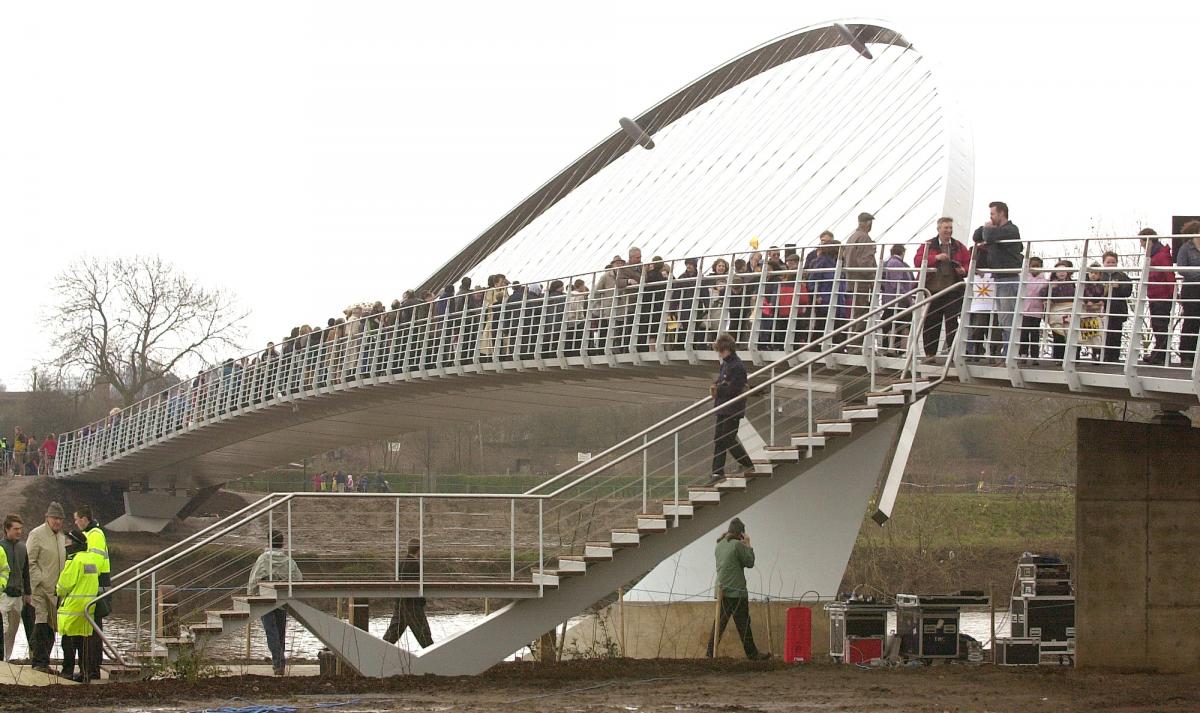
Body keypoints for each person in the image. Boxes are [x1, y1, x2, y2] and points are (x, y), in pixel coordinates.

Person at [705, 518, 768, 660]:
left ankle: (710, 653)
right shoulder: (737, 545)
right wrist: (748, 544)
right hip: (736, 591)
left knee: (719, 625)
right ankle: (752, 655)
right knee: (743, 624)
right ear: (741, 534)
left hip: (721, 589)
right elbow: (750, 562)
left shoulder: (719, 544)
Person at [247, 530, 302, 675]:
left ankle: (278, 662)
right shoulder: (288, 561)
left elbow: (254, 578)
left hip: (265, 599)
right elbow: (298, 578)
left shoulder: (263, 559)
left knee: (270, 631)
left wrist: (251, 594)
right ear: (282, 543)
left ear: (268, 542)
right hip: (282, 598)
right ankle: (279, 662)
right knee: (280, 631)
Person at [972, 202, 1023, 355]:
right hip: (1000, 279)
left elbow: (989, 238)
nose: (990, 217)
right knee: (1002, 319)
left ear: (1001, 214)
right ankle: (1006, 353)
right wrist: (986, 226)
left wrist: (987, 229)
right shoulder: (995, 229)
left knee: (1008, 319)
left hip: (1009, 279)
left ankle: (1008, 354)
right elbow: (976, 237)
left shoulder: (1011, 230)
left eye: (993, 214)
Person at [55, 529, 100, 683]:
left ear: (75, 543)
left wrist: (57, 590)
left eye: (67, 542)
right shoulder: (90, 560)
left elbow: (63, 585)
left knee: (67, 639)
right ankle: (85, 672)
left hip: (72, 607)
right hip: (88, 607)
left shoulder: (74, 561)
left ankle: (67, 671)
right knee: (83, 641)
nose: (66, 545)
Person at [709, 333, 756, 481]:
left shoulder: (737, 366)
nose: (720, 354)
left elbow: (734, 389)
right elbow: (721, 383)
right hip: (723, 407)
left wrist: (719, 389)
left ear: (728, 349)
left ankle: (746, 463)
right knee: (719, 438)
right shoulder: (726, 364)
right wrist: (717, 386)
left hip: (732, 408)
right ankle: (717, 472)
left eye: (721, 351)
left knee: (728, 438)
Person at [27, 501, 67, 672]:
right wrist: (40, 579)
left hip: (56, 591)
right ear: (47, 518)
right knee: (41, 623)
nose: (57, 521)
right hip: (40, 590)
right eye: (54, 518)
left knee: (52, 627)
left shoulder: (61, 537)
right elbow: (29, 561)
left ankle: (45, 662)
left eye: (60, 519)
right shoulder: (36, 534)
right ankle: (38, 662)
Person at [74, 506, 109, 680]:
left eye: (76, 519)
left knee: (92, 630)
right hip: (95, 586)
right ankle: (90, 668)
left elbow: (93, 563)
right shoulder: (93, 533)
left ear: (84, 518)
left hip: (95, 587)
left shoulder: (94, 534)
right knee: (92, 629)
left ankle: (91, 669)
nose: (75, 522)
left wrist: (77, 571)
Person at [383, 538, 434, 648]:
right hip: (413, 605)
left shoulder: (400, 564)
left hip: (401, 603)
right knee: (425, 638)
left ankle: (378, 654)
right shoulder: (416, 565)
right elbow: (417, 585)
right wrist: (422, 601)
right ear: (419, 550)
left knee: (390, 636)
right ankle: (436, 662)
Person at [1139, 228, 1174, 365]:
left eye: (1141, 241)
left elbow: (1169, 274)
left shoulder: (1160, 255)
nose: (1141, 244)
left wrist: (1172, 292)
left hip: (1162, 295)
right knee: (1158, 325)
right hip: (1156, 295)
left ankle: (1161, 355)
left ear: (1148, 240)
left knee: (1160, 325)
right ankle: (1159, 354)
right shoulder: (1157, 254)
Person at [1, 514, 32, 660]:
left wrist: (28, 593)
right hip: (3, 595)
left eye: (20, 529)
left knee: (12, 631)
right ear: (7, 529)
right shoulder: (1, 547)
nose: (19, 532)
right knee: (3, 629)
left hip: (18, 596)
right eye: (15, 529)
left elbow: (26, 571)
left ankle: (6, 659)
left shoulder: (22, 547)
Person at [880, 244, 916, 353]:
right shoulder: (897, 263)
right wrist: (908, 298)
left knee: (893, 324)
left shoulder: (888, 263)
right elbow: (897, 284)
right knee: (899, 325)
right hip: (898, 301)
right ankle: (894, 349)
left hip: (892, 300)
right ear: (902, 252)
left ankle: (891, 348)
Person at [1099, 252, 1133, 364]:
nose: (1110, 264)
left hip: (1117, 309)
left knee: (1115, 334)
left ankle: (1114, 357)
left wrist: (1118, 287)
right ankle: (1101, 355)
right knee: (1101, 333)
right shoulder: (1099, 275)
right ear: (1103, 263)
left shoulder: (1122, 276)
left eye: (1113, 262)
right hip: (1101, 309)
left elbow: (1127, 292)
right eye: (1108, 262)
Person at [1175, 220, 1200, 367]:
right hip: (1191, 289)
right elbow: (1181, 268)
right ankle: (1186, 354)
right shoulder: (1186, 248)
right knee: (1191, 320)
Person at [844, 212, 878, 321]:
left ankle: (854, 336)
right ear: (868, 223)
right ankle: (858, 337)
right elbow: (865, 262)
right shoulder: (864, 238)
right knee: (862, 316)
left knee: (855, 313)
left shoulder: (852, 237)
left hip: (851, 281)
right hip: (861, 283)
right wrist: (874, 278)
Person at [1018, 257, 1049, 362]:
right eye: (1033, 266)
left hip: (1037, 311)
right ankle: (1023, 353)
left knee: (1035, 334)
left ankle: (1035, 356)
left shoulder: (1044, 281)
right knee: (1024, 333)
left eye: (1037, 266)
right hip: (1024, 310)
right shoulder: (1023, 278)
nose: (1035, 268)